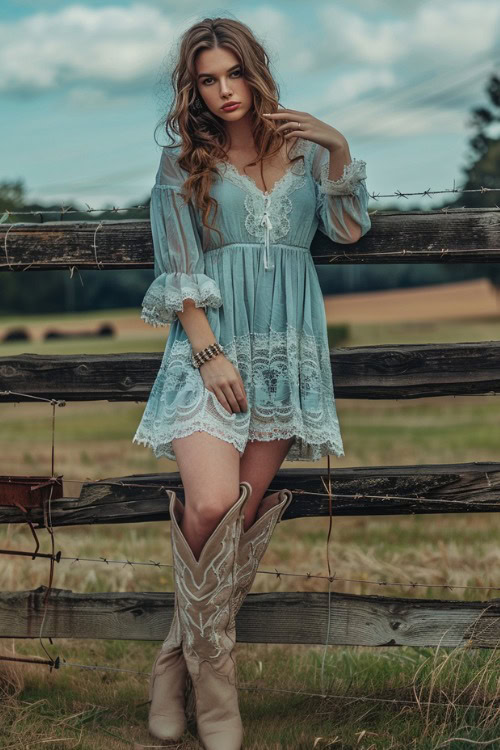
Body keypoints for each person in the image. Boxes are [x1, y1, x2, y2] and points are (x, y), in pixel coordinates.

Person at [132, 15, 372, 750]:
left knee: (232, 521)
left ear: (255, 71)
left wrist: (338, 143)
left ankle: (175, 665)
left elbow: (350, 229)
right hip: (212, 351)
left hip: (284, 353)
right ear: (193, 87)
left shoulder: (301, 150)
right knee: (209, 504)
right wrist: (209, 354)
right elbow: (178, 270)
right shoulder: (184, 163)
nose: (225, 90)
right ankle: (218, 686)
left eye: (233, 73)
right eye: (208, 78)